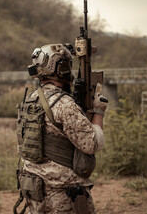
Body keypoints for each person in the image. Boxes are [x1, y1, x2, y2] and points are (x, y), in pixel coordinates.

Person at [16, 43, 107, 214]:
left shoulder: (29, 100)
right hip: (62, 194)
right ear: (61, 68)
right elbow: (92, 144)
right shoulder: (64, 104)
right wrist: (99, 111)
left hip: (33, 188)